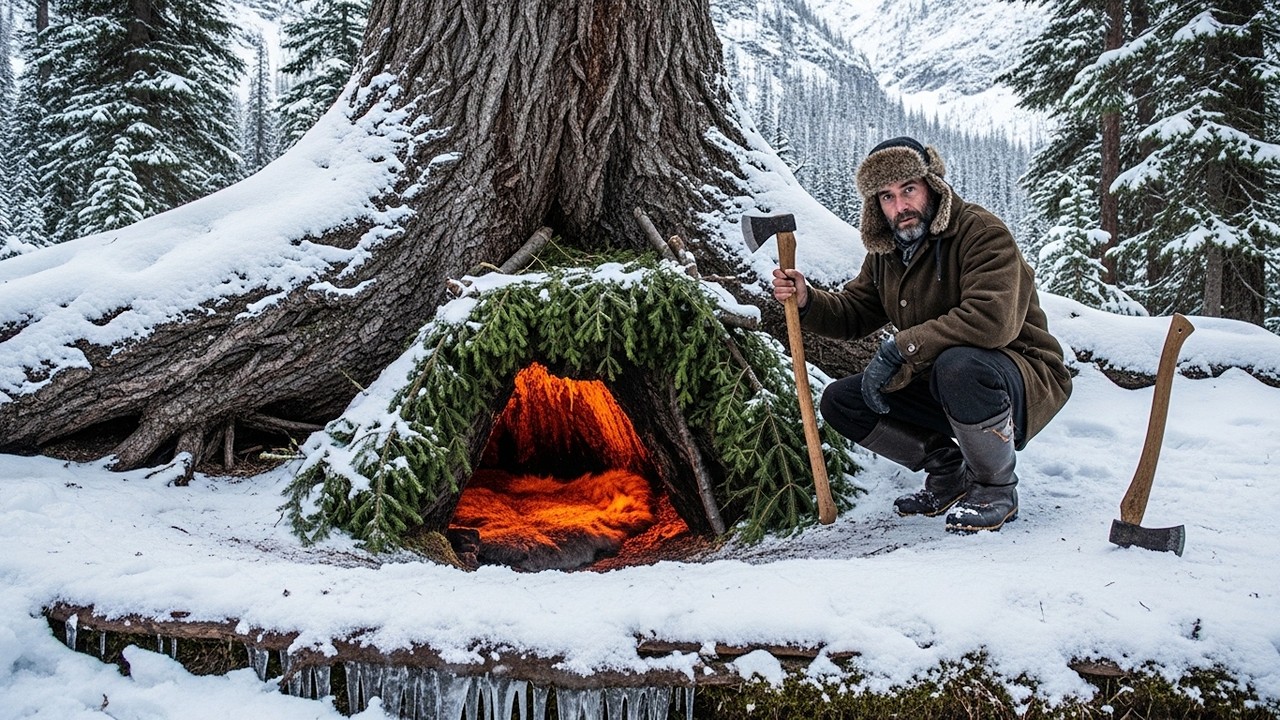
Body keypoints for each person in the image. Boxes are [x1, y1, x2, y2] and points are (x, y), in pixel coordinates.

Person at [771, 136, 1072, 532]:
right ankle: (949, 472)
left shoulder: (981, 232)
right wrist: (808, 300)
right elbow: (855, 313)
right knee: (843, 401)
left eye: (908, 189)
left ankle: (996, 487)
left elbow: (992, 320)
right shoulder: (887, 254)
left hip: (1019, 375)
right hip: (943, 380)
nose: (901, 207)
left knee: (958, 365)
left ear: (932, 186)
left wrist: (902, 347)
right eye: (887, 197)